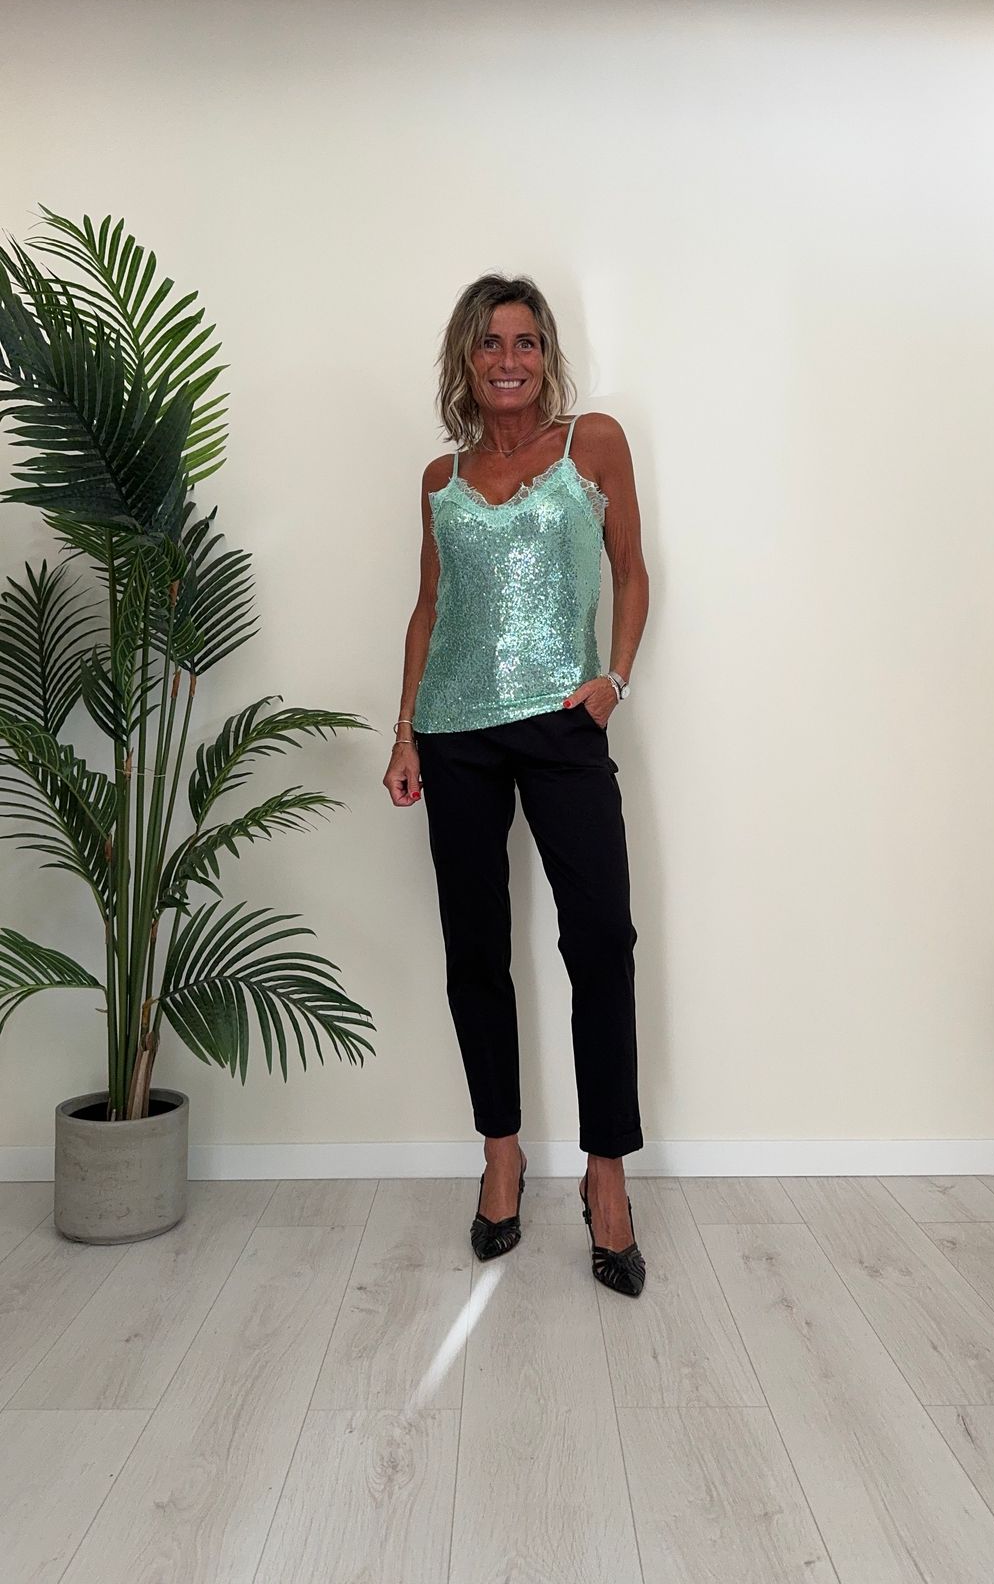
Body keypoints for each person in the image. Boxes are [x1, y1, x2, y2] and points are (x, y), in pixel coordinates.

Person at [383, 274, 650, 1297]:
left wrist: (612, 679)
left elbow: (631, 570)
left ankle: (605, 1172)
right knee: (474, 950)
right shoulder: (440, 476)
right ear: (465, 357)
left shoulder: (593, 443)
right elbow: (428, 608)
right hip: (453, 734)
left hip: (563, 725)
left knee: (601, 940)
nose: (509, 360)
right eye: (490, 343)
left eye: (526, 342)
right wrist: (404, 732)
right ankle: (501, 1155)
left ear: (546, 355)